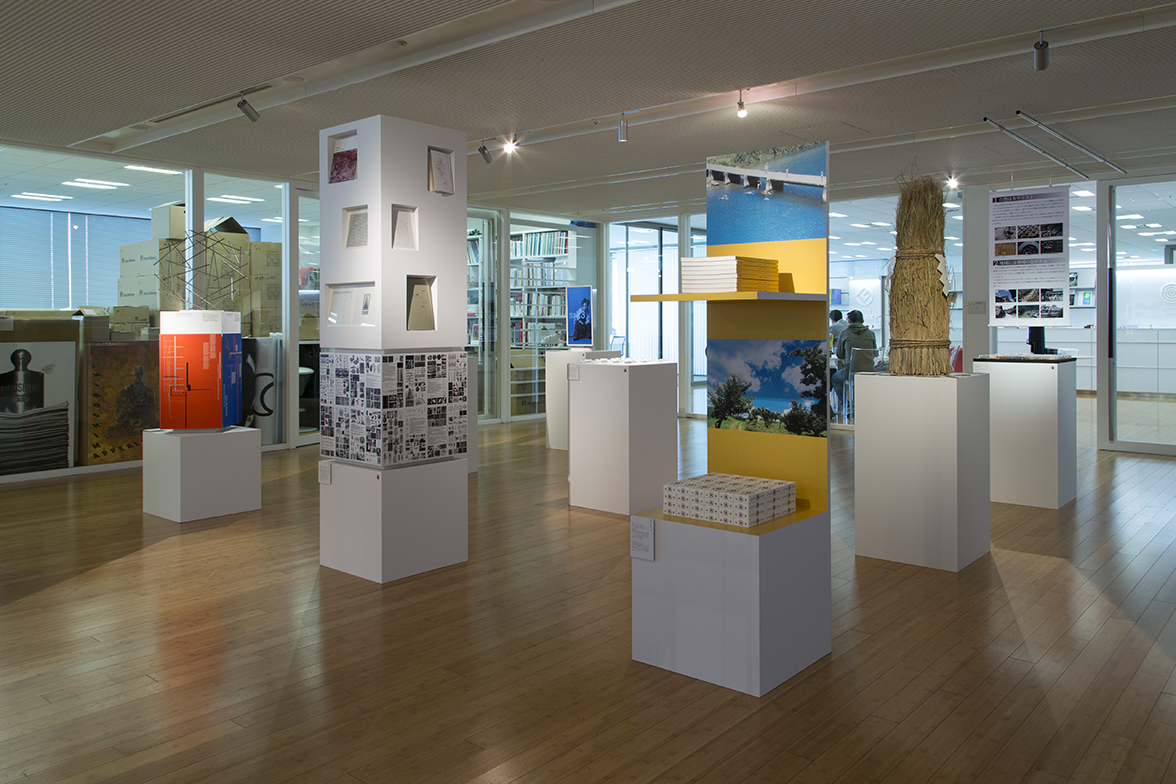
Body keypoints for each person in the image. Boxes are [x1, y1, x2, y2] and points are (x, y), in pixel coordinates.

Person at [831, 310, 877, 415]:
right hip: (869, 371)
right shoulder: (871, 334)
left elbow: (840, 355)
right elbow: (874, 353)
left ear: (849, 321)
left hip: (850, 372)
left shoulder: (845, 333)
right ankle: (862, 406)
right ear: (863, 321)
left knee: (835, 378)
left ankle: (846, 406)